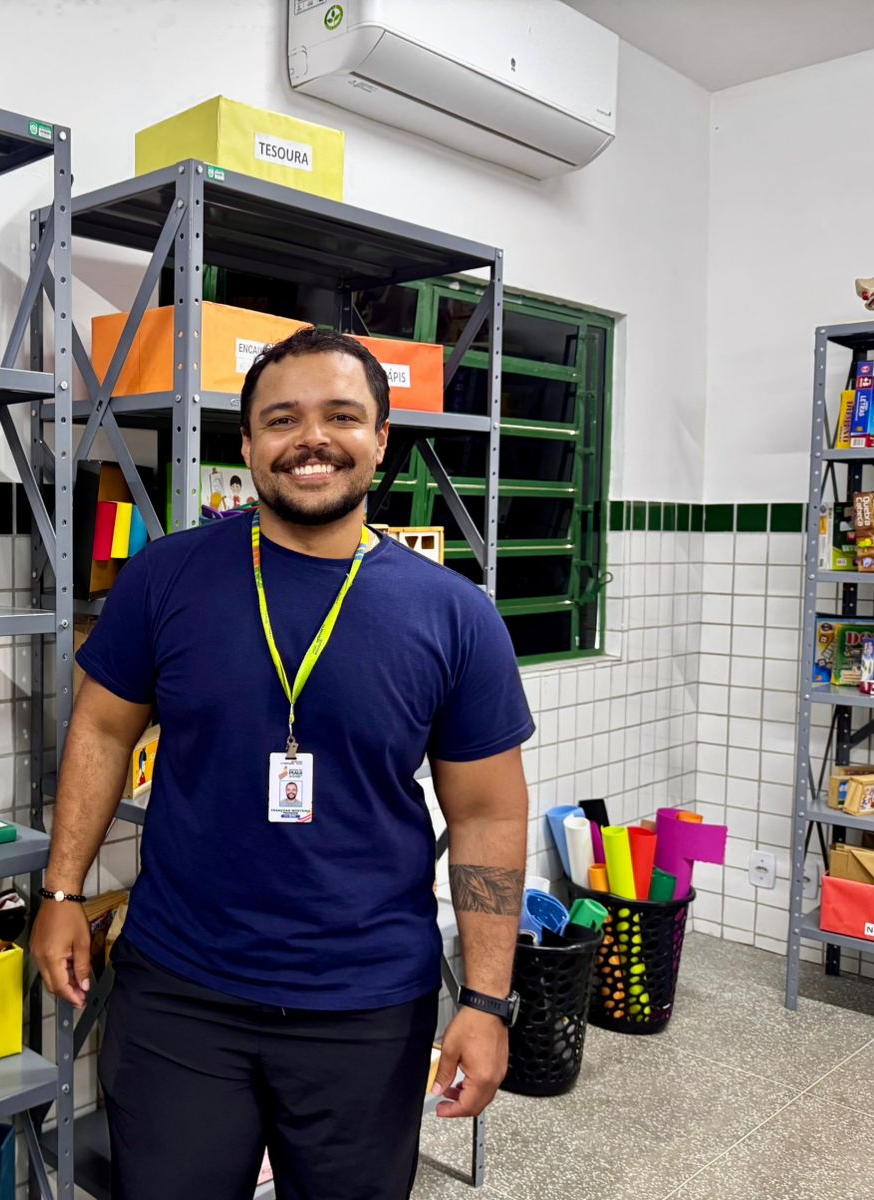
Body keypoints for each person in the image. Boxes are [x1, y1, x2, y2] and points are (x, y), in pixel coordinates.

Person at [33, 325, 533, 1200]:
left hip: (368, 1003)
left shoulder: (454, 616)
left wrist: (487, 1002)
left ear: (381, 438)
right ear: (247, 444)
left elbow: (488, 812)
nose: (312, 439)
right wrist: (62, 893)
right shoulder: (167, 577)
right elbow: (102, 731)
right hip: (179, 990)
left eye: (341, 415)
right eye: (281, 418)